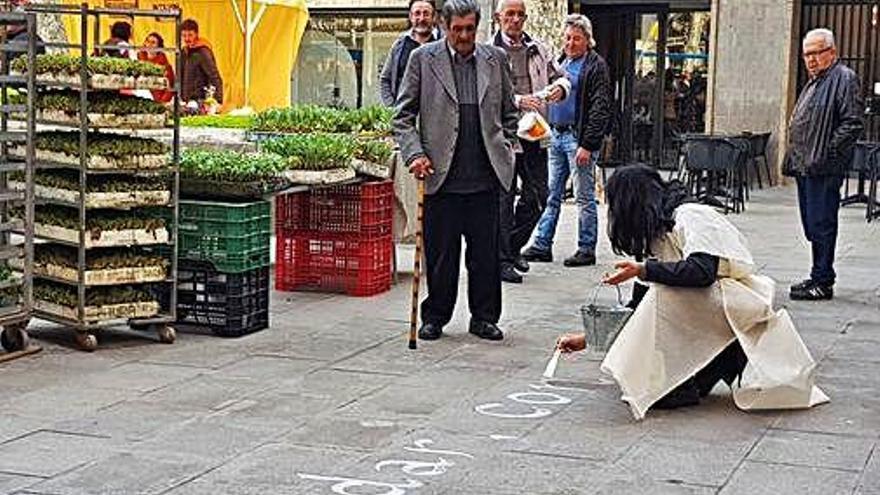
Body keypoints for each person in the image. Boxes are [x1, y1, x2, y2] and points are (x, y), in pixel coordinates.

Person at [556, 165, 828, 420]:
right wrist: (589, 337)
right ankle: (703, 369)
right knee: (656, 301)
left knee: (664, 294)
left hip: (735, 303)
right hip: (709, 310)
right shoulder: (657, 233)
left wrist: (644, 271)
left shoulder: (691, 215)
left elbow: (702, 272)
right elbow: (638, 307)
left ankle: (715, 361)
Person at [393, 0, 518, 342]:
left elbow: (510, 112)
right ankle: (435, 316)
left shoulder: (495, 59)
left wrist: (507, 147)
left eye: (469, 29)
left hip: (486, 176)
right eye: (457, 29)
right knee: (441, 255)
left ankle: (484, 317)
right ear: (444, 27)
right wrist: (414, 153)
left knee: (486, 256)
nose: (464, 35)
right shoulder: (423, 59)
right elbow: (402, 117)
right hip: (441, 177)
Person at [521, 14, 611, 268]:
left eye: (577, 38)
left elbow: (600, 107)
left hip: (577, 138)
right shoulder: (560, 62)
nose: (571, 43)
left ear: (587, 40)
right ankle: (542, 244)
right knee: (551, 193)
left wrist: (589, 144)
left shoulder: (595, 66)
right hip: (554, 135)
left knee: (584, 196)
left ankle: (586, 248)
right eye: (568, 37)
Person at [492, 0, 570, 284]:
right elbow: (487, 94)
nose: (515, 19)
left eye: (520, 15)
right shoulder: (489, 51)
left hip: (536, 133)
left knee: (541, 195)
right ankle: (501, 260)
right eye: (509, 14)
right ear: (499, 17)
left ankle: (512, 247)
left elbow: (561, 77)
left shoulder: (538, 48)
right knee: (503, 199)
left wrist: (559, 89)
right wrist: (517, 100)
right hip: (503, 137)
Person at [783, 28, 864, 301]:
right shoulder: (816, 81)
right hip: (807, 166)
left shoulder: (843, 78)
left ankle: (823, 280)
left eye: (816, 53)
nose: (811, 59)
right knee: (812, 224)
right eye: (807, 54)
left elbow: (852, 123)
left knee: (822, 222)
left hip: (823, 167)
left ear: (832, 52)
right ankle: (817, 274)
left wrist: (826, 153)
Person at [379, 0, 439, 107]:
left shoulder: (444, 44)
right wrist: (392, 109)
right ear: (410, 17)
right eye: (417, 13)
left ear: (434, 17)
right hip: (404, 118)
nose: (421, 19)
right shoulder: (399, 45)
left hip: (435, 118)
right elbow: (385, 80)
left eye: (426, 14)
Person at [180, 19, 223, 105]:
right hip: (186, 100)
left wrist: (218, 101)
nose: (187, 38)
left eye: (190, 35)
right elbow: (180, 75)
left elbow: (214, 76)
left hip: (200, 100)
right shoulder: (184, 52)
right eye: (184, 35)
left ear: (196, 34)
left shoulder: (203, 52)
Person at [138, 33, 175, 103]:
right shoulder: (138, 59)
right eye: (148, 41)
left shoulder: (165, 65)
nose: (149, 45)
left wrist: (161, 102)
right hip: (140, 100)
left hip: (157, 100)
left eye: (153, 43)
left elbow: (170, 87)